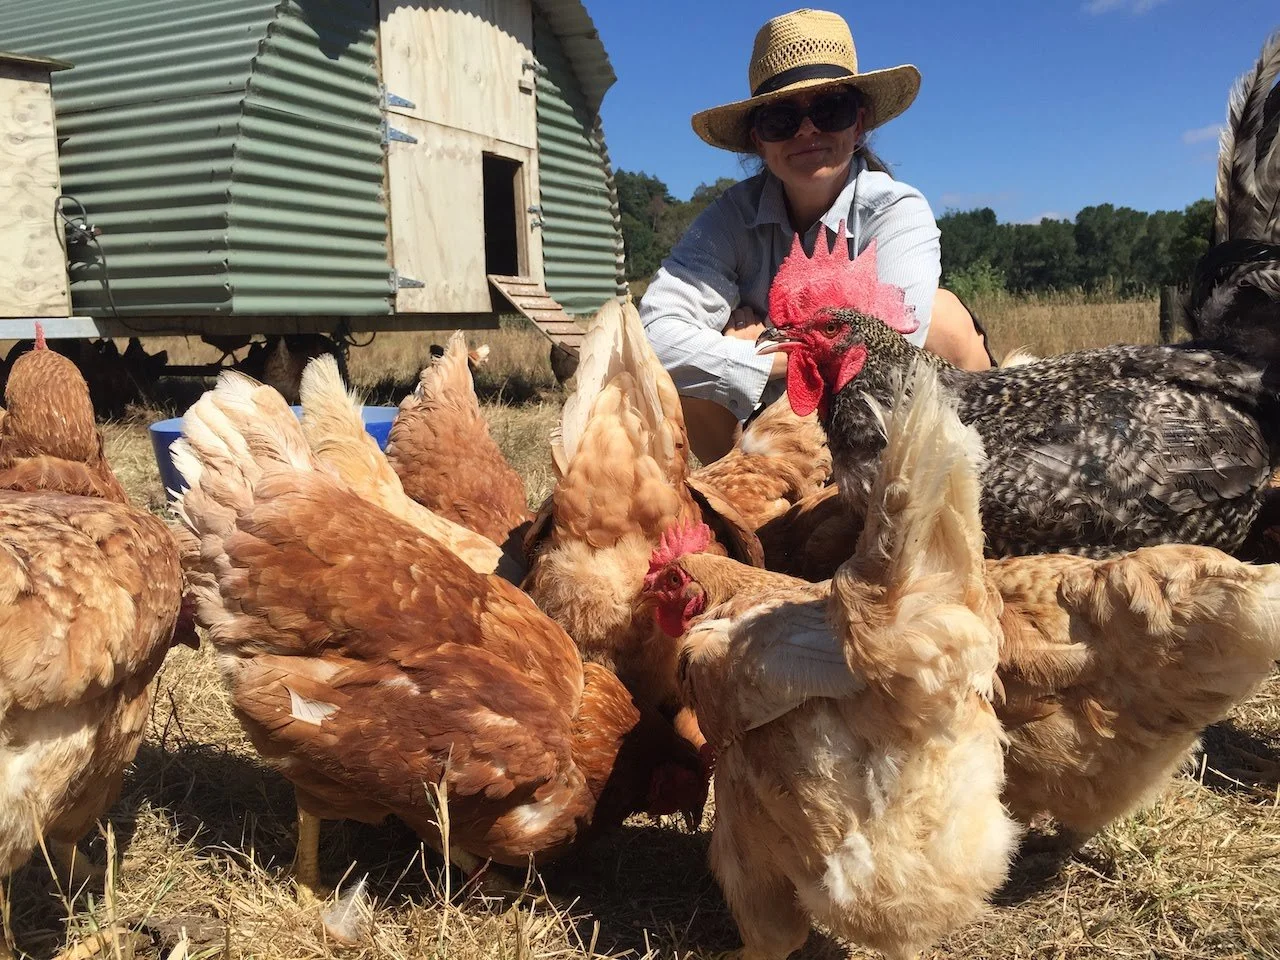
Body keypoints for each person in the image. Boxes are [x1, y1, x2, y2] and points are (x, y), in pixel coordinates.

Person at [639, 8, 993, 463]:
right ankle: (752, 502)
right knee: (678, 381)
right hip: (765, 440)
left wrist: (752, 346)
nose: (807, 130)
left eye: (830, 109)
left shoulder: (898, 210)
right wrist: (773, 360)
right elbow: (653, 334)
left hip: (880, 427)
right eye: (781, 119)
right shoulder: (729, 219)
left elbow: (891, 348)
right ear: (759, 140)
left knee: (948, 323)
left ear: (858, 124)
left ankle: (972, 479)